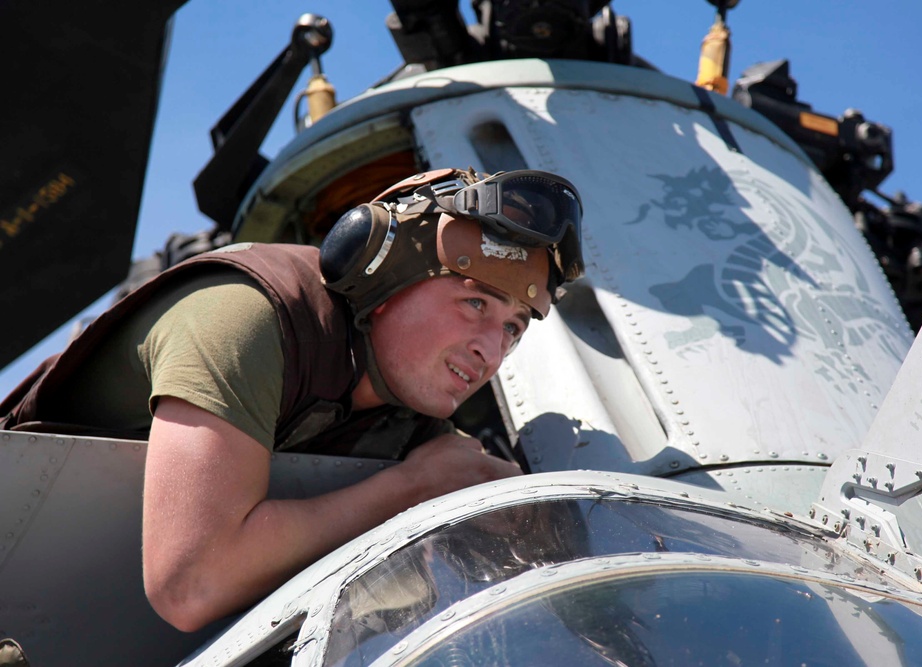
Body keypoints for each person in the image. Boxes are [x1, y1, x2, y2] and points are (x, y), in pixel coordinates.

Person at [0, 166, 584, 632]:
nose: (490, 350)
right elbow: (189, 583)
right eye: (475, 303)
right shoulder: (247, 317)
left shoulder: (413, 412)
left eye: (513, 328)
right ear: (384, 278)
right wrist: (413, 489)